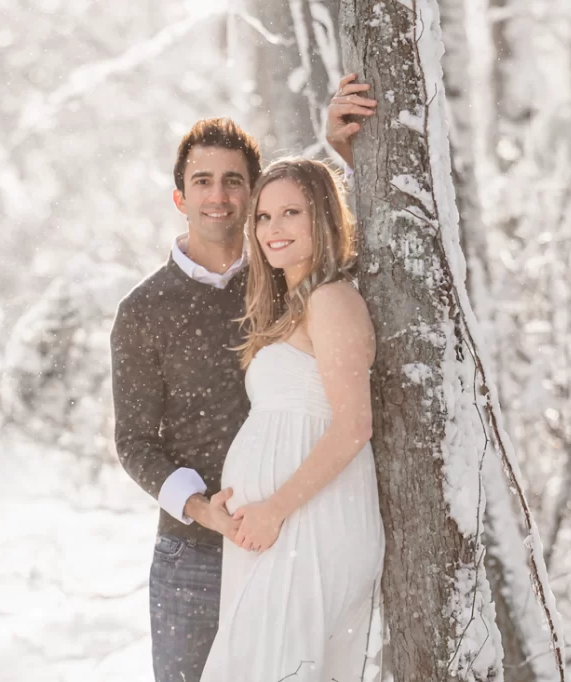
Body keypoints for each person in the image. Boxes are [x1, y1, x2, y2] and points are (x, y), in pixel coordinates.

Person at [110, 74, 377, 682]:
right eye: (202, 181)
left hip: (294, 530)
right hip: (197, 549)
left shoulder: (287, 278)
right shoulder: (146, 309)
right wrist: (203, 510)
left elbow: (341, 234)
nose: (219, 197)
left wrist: (344, 153)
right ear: (179, 197)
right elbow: (134, 441)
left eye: (235, 182)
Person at [199, 157, 385, 682]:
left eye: (290, 213)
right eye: (262, 217)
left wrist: (273, 508)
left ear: (322, 218)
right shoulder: (294, 305)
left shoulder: (332, 300)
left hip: (310, 522)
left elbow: (353, 426)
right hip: (274, 527)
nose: (272, 230)